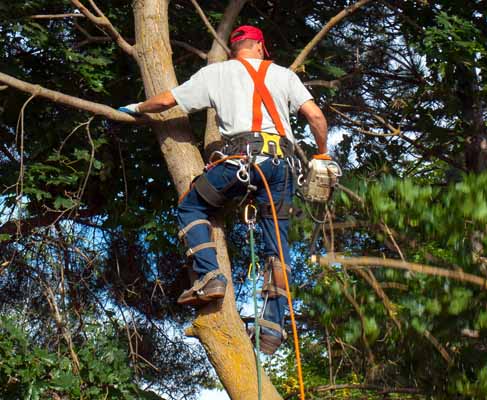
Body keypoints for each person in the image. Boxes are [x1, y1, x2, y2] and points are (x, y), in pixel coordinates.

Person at [119, 25, 331, 354]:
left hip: (241, 162)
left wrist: (136, 108)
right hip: (282, 169)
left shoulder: (215, 74)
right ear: (261, 47)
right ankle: (273, 328)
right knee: (276, 248)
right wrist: (322, 153)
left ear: (234, 50)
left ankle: (209, 277)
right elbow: (316, 117)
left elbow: (165, 101)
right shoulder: (284, 75)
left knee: (191, 206)